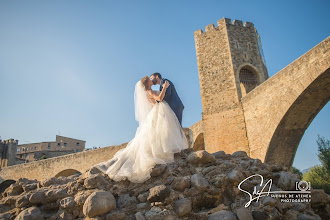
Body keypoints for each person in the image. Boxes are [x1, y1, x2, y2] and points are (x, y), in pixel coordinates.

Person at [91, 76, 188, 183]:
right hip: (159, 112)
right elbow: (160, 98)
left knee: (158, 135)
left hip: (158, 112)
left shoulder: (149, 91)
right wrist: (164, 87)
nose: (152, 80)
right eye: (150, 79)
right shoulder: (149, 91)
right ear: (147, 83)